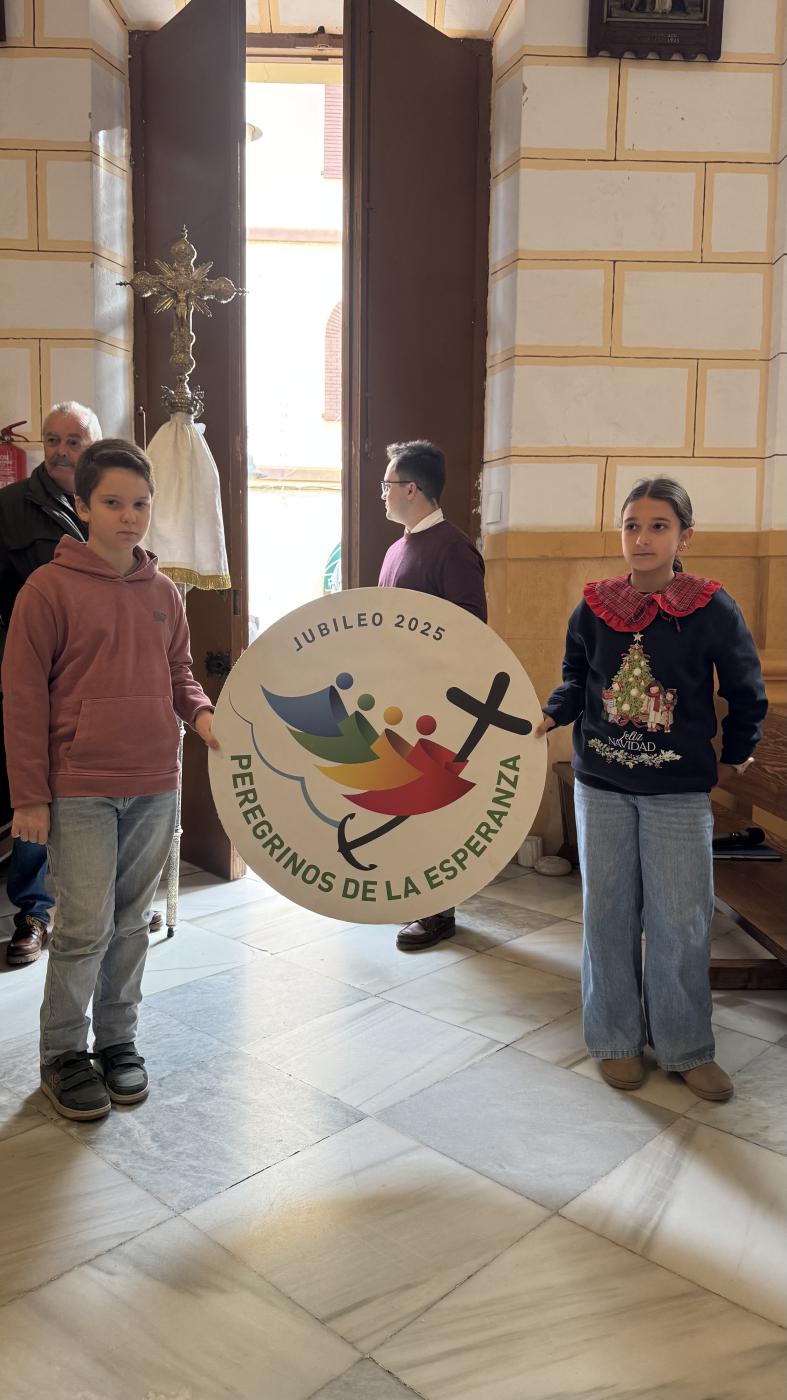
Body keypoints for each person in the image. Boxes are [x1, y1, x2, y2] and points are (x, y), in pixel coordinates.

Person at [2, 439, 218, 1121]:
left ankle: (118, 1041)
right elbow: (23, 698)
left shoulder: (164, 592)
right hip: (80, 787)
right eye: (114, 503)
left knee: (130, 925)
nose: (130, 517)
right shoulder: (48, 589)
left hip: (155, 782)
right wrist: (29, 796)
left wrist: (203, 715)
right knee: (83, 928)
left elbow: (179, 671)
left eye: (141, 504)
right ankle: (64, 1054)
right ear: (84, 506)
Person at [536, 477, 766, 1103]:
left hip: (677, 794)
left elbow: (745, 688)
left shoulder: (712, 607)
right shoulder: (594, 606)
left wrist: (736, 754)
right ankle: (614, 1037)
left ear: (683, 536)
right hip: (600, 785)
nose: (642, 538)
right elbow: (576, 677)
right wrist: (553, 713)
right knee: (608, 913)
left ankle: (685, 1046)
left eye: (658, 526)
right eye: (631, 525)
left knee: (681, 920)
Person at [378, 439, 487, 950]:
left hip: (437, 707)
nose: (383, 493)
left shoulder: (453, 548)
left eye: (387, 484)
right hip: (397, 701)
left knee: (433, 806)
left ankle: (438, 911)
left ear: (412, 489)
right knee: (402, 802)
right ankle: (414, 893)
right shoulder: (396, 549)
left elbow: (471, 630)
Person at [0, 403, 99, 965]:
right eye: (52, 439)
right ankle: (34, 912)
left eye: (74, 441)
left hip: (98, 682)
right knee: (33, 794)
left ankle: (104, 904)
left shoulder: (108, 506)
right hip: (36, 683)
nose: (60, 450)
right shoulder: (9, 508)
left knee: (96, 795)